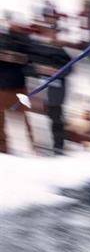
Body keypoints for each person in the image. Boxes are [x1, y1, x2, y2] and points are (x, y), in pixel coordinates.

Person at [30, 9, 73, 155]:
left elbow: (69, 69)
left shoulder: (62, 52)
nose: (51, 35)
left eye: (53, 31)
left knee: (56, 119)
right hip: (39, 90)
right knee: (39, 118)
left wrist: (55, 72)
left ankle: (58, 147)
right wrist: (39, 69)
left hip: (55, 92)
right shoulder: (38, 48)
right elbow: (30, 66)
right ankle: (39, 145)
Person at [0, 21, 35, 154]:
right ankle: (3, 148)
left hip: (19, 86)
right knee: (1, 118)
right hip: (3, 85)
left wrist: (14, 57)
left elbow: (28, 59)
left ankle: (32, 146)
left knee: (25, 118)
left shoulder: (24, 41)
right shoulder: (3, 39)